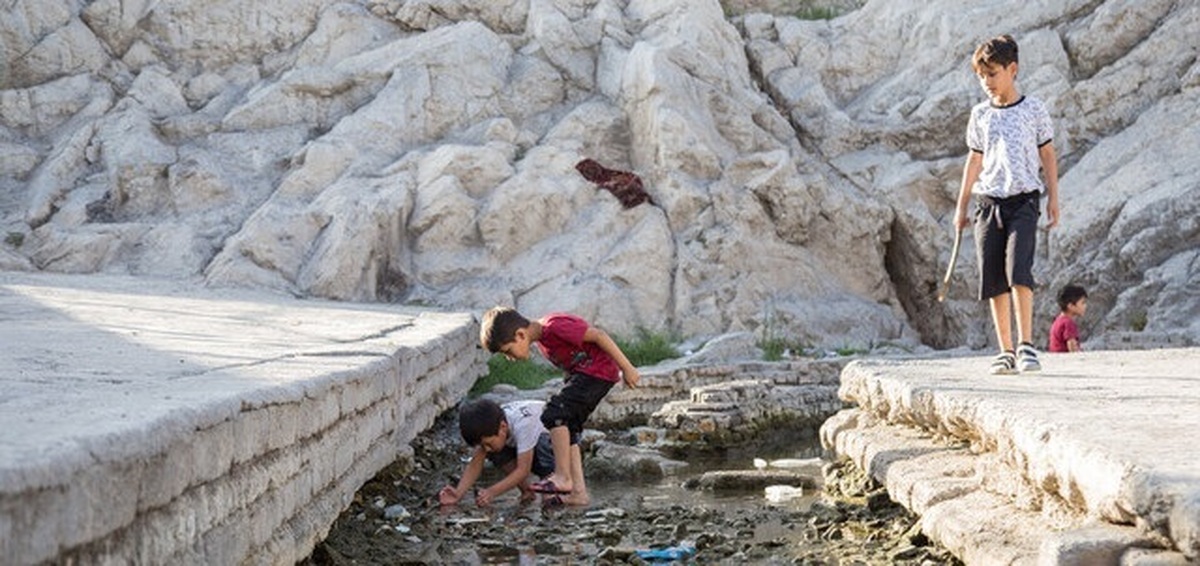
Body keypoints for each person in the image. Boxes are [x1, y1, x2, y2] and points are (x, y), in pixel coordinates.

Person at [953, 34, 1060, 375]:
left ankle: (1027, 345)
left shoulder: (1033, 109)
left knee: (1019, 271)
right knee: (994, 278)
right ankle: (1006, 351)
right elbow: (974, 159)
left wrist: (1054, 198)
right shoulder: (980, 114)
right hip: (987, 203)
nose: (987, 82)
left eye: (993, 74)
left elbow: (1047, 154)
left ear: (1012, 69)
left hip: (1024, 200)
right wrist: (962, 205)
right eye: (981, 75)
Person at [479, 306, 640, 505]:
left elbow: (599, 335)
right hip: (587, 375)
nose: (510, 358)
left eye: (508, 351)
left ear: (520, 335)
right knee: (569, 427)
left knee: (553, 414)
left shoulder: (554, 327)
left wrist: (627, 368)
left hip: (598, 372)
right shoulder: (544, 342)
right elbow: (573, 361)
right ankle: (578, 493)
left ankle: (563, 477)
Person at [438, 398, 565, 506]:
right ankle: (527, 491)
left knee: (541, 447)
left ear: (503, 427)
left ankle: (551, 486)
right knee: (495, 450)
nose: (486, 448)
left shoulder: (523, 425)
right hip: (526, 441)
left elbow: (523, 470)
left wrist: (492, 492)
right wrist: (458, 494)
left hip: (555, 439)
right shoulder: (492, 425)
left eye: (487, 443)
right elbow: (475, 464)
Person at [1049, 285, 1088, 353]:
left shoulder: (1058, 321)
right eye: (1083, 303)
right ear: (1071, 306)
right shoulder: (1068, 323)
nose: (1085, 306)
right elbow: (1072, 348)